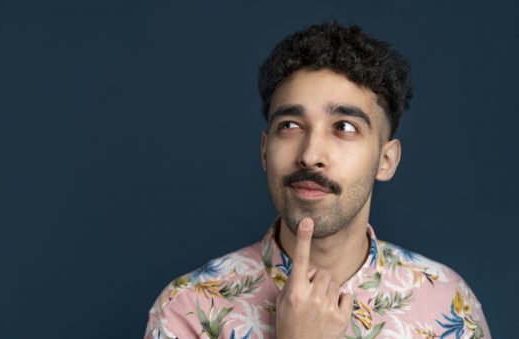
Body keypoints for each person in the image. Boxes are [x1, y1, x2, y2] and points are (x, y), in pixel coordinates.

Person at [144, 21, 491, 339]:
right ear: (265, 151)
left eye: (344, 127)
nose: (310, 154)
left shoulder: (449, 301)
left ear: (386, 160)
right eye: (290, 126)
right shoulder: (189, 309)